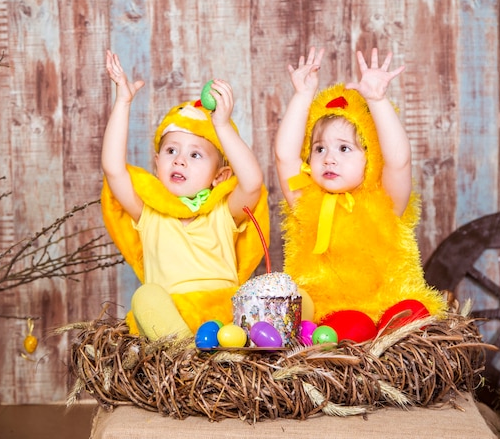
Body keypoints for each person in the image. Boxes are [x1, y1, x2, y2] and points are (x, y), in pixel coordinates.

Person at [101, 49, 269, 341]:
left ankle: (220, 351)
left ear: (220, 176)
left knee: (289, 298)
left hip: (225, 320)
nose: (180, 160)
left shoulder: (223, 212)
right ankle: (182, 357)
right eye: (171, 151)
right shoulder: (149, 212)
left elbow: (253, 183)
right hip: (173, 322)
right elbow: (113, 169)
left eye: (195, 154)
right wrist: (123, 103)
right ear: (156, 164)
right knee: (145, 297)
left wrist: (222, 126)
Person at [274, 47, 447, 330]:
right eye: (319, 149)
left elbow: (399, 160)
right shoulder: (306, 201)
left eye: (344, 148)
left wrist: (377, 101)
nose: (329, 158)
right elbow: (285, 156)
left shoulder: (386, 199)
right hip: (329, 316)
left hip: (386, 307)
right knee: (348, 326)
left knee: (413, 314)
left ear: (371, 156)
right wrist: (302, 96)